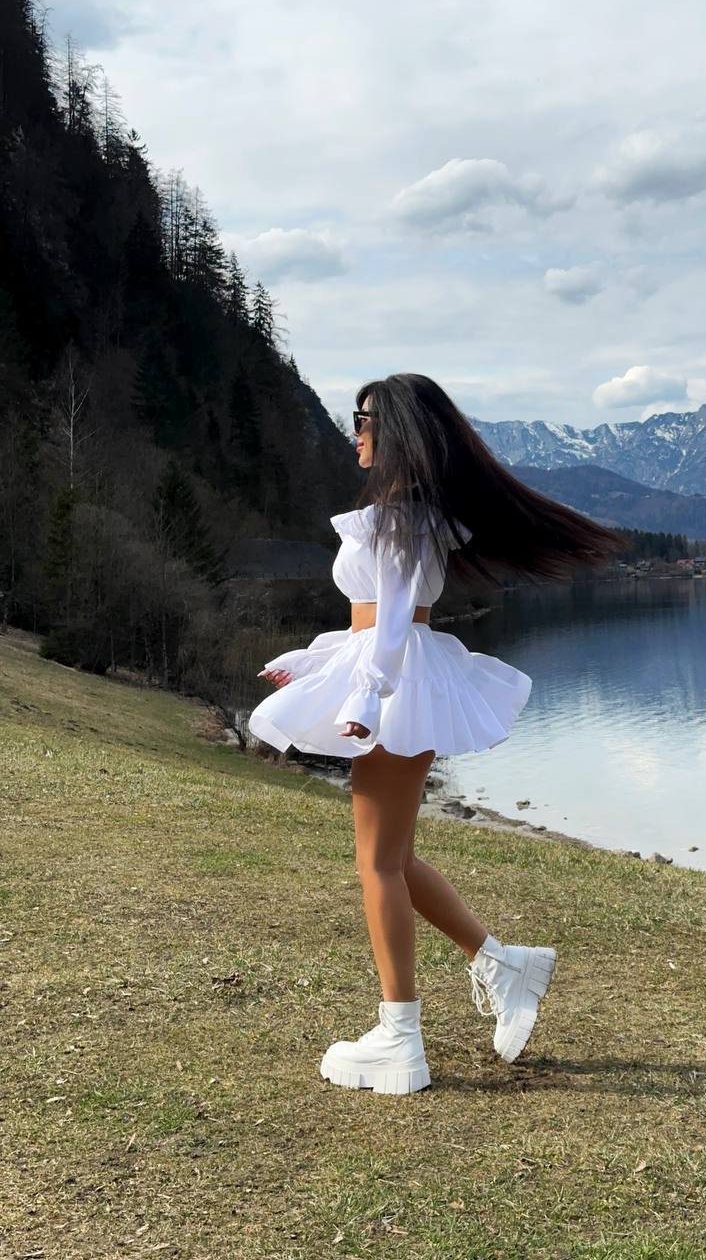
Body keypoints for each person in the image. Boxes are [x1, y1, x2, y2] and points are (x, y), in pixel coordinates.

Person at [249, 373, 631, 1095]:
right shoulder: (404, 515)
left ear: (392, 430)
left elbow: (394, 623)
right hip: (399, 675)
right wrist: (313, 659)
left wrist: (364, 694)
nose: (353, 433)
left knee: (378, 864)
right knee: (392, 857)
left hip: (398, 683)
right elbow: (375, 620)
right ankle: (501, 964)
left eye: (361, 420)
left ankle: (401, 1038)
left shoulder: (400, 517)